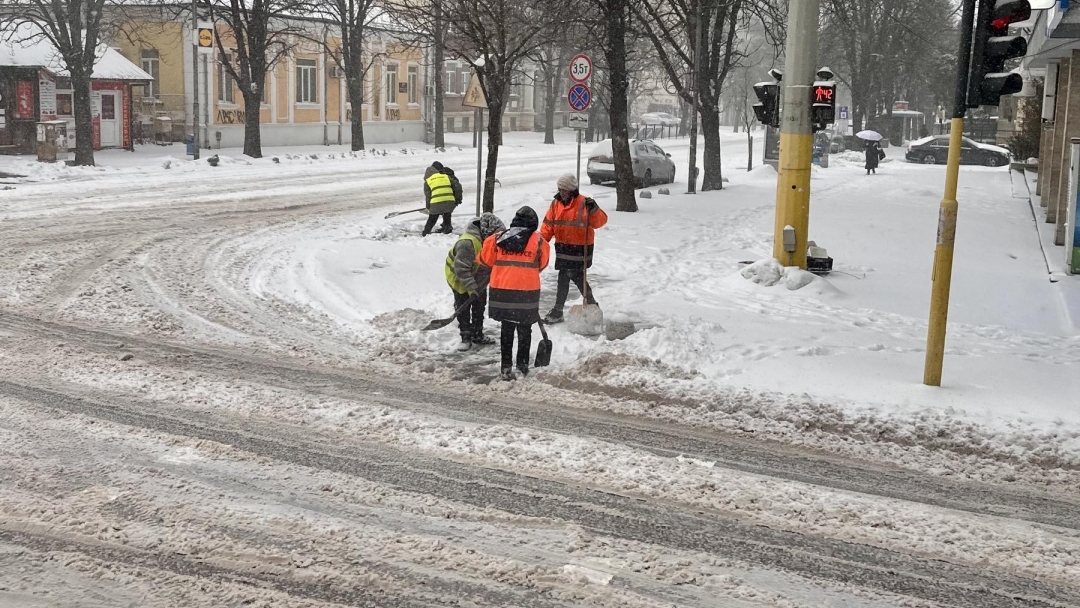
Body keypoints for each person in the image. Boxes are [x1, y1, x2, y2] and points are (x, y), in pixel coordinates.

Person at [478, 206, 550, 381]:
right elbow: (542, 264)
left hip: (502, 292)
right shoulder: (540, 241)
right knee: (525, 328)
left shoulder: (497, 239)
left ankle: (505, 367)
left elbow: (484, 260)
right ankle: (522, 366)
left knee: (507, 327)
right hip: (527, 292)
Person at [540, 174, 608, 324]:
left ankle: (560, 310)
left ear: (572, 190)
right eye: (560, 189)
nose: (562, 193)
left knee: (571, 276)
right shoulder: (555, 204)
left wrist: (594, 210)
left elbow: (600, 222)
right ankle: (590, 305)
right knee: (573, 277)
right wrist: (540, 242)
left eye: (564, 190)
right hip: (563, 249)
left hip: (580, 249)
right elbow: (548, 225)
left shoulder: (585, 203)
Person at [445, 212, 506, 351]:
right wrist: (471, 287)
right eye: (495, 235)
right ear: (488, 232)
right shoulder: (467, 243)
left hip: (477, 276)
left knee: (479, 305)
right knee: (464, 307)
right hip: (459, 278)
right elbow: (461, 269)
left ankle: (478, 334)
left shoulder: (486, 240)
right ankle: (465, 337)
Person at [422, 161, 462, 236]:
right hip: (449, 201)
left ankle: (426, 232)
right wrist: (458, 198)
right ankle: (447, 227)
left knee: (432, 218)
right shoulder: (446, 176)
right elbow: (457, 186)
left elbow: (428, 196)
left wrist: (428, 207)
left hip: (436, 202)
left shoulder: (428, 181)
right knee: (447, 214)